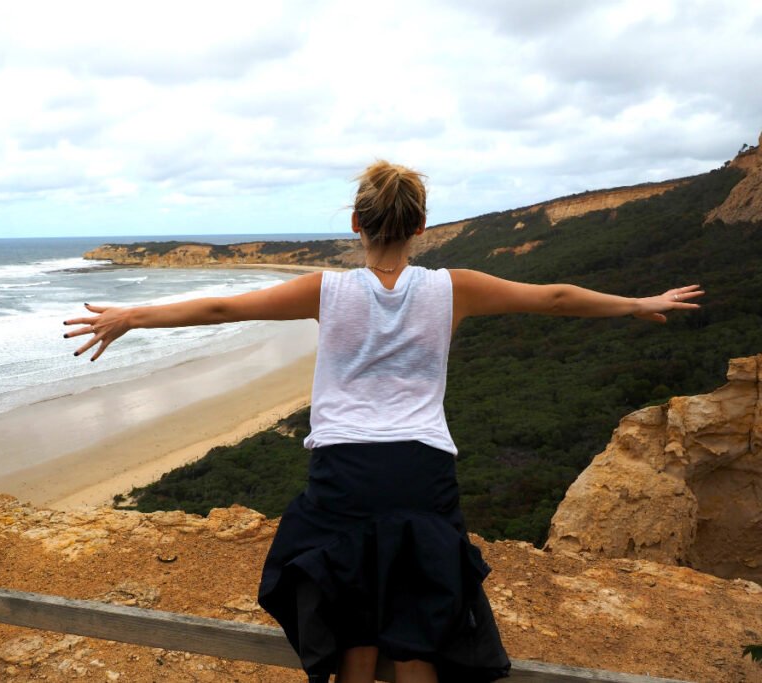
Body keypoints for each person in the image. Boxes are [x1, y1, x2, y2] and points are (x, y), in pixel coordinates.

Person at [63, 160, 703, 683]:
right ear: (421, 225)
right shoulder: (455, 286)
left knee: (353, 624)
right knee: (417, 617)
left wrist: (131, 316)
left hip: (345, 468)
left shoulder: (327, 290)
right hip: (422, 466)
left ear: (355, 224)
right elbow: (556, 299)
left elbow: (223, 307)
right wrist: (639, 302)